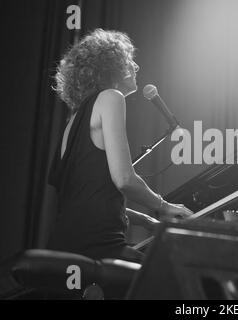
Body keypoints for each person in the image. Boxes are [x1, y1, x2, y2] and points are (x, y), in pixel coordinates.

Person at [47, 29, 193, 263]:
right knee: (172, 275)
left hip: (63, 245)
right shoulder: (111, 97)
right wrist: (163, 206)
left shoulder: (72, 121)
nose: (136, 67)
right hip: (98, 247)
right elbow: (124, 179)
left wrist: (145, 221)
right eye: (128, 61)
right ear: (110, 66)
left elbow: (89, 198)